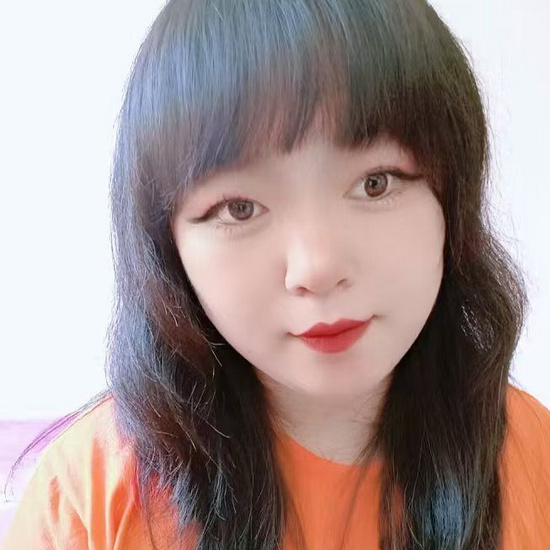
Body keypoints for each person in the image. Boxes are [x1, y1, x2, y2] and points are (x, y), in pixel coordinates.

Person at [3, 0, 550, 548]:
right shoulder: (86, 496)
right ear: (167, 245)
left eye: (376, 183)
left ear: (453, 198)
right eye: (239, 208)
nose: (317, 269)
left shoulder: (534, 457)